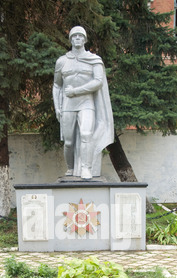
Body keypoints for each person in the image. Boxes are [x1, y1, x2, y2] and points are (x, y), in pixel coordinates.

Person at [53, 26, 114, 179]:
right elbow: (57, 85)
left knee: (87, 134)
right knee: (68, 142)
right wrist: (56, 107)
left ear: (85, 39)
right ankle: (71, 168)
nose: (77, 38)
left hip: (87, 103)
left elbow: (98, 82)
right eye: (74, 36)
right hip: (68, 106)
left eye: (80, 36)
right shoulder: (62, 61)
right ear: (71, 40)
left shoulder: (94, 60)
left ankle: (86, 168)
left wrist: (76, 91)